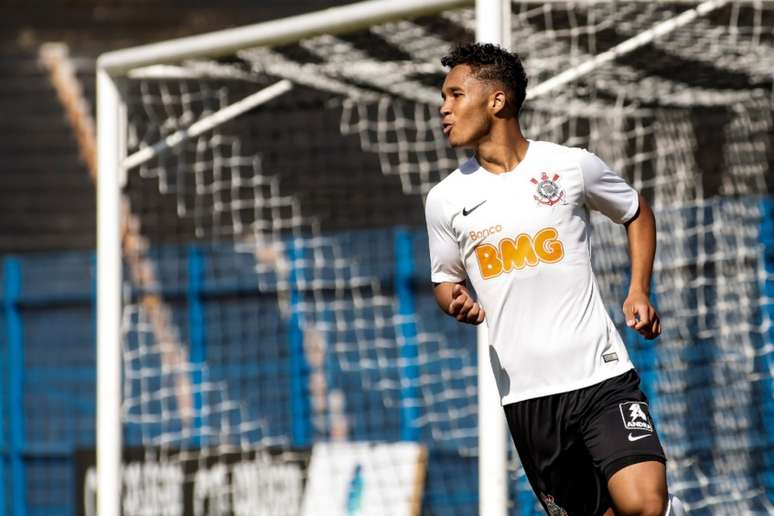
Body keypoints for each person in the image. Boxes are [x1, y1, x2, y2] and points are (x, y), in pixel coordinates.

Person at [425, 43, 684, 516]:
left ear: (497, 101)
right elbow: (445, 281)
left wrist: (638, 289)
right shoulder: (445, 199)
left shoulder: (569, 166)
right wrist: (453, 302)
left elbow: (636, 212)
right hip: (527, 396)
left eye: (455, 94)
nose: (443, 108)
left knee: (645, 503)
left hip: (600, 373)